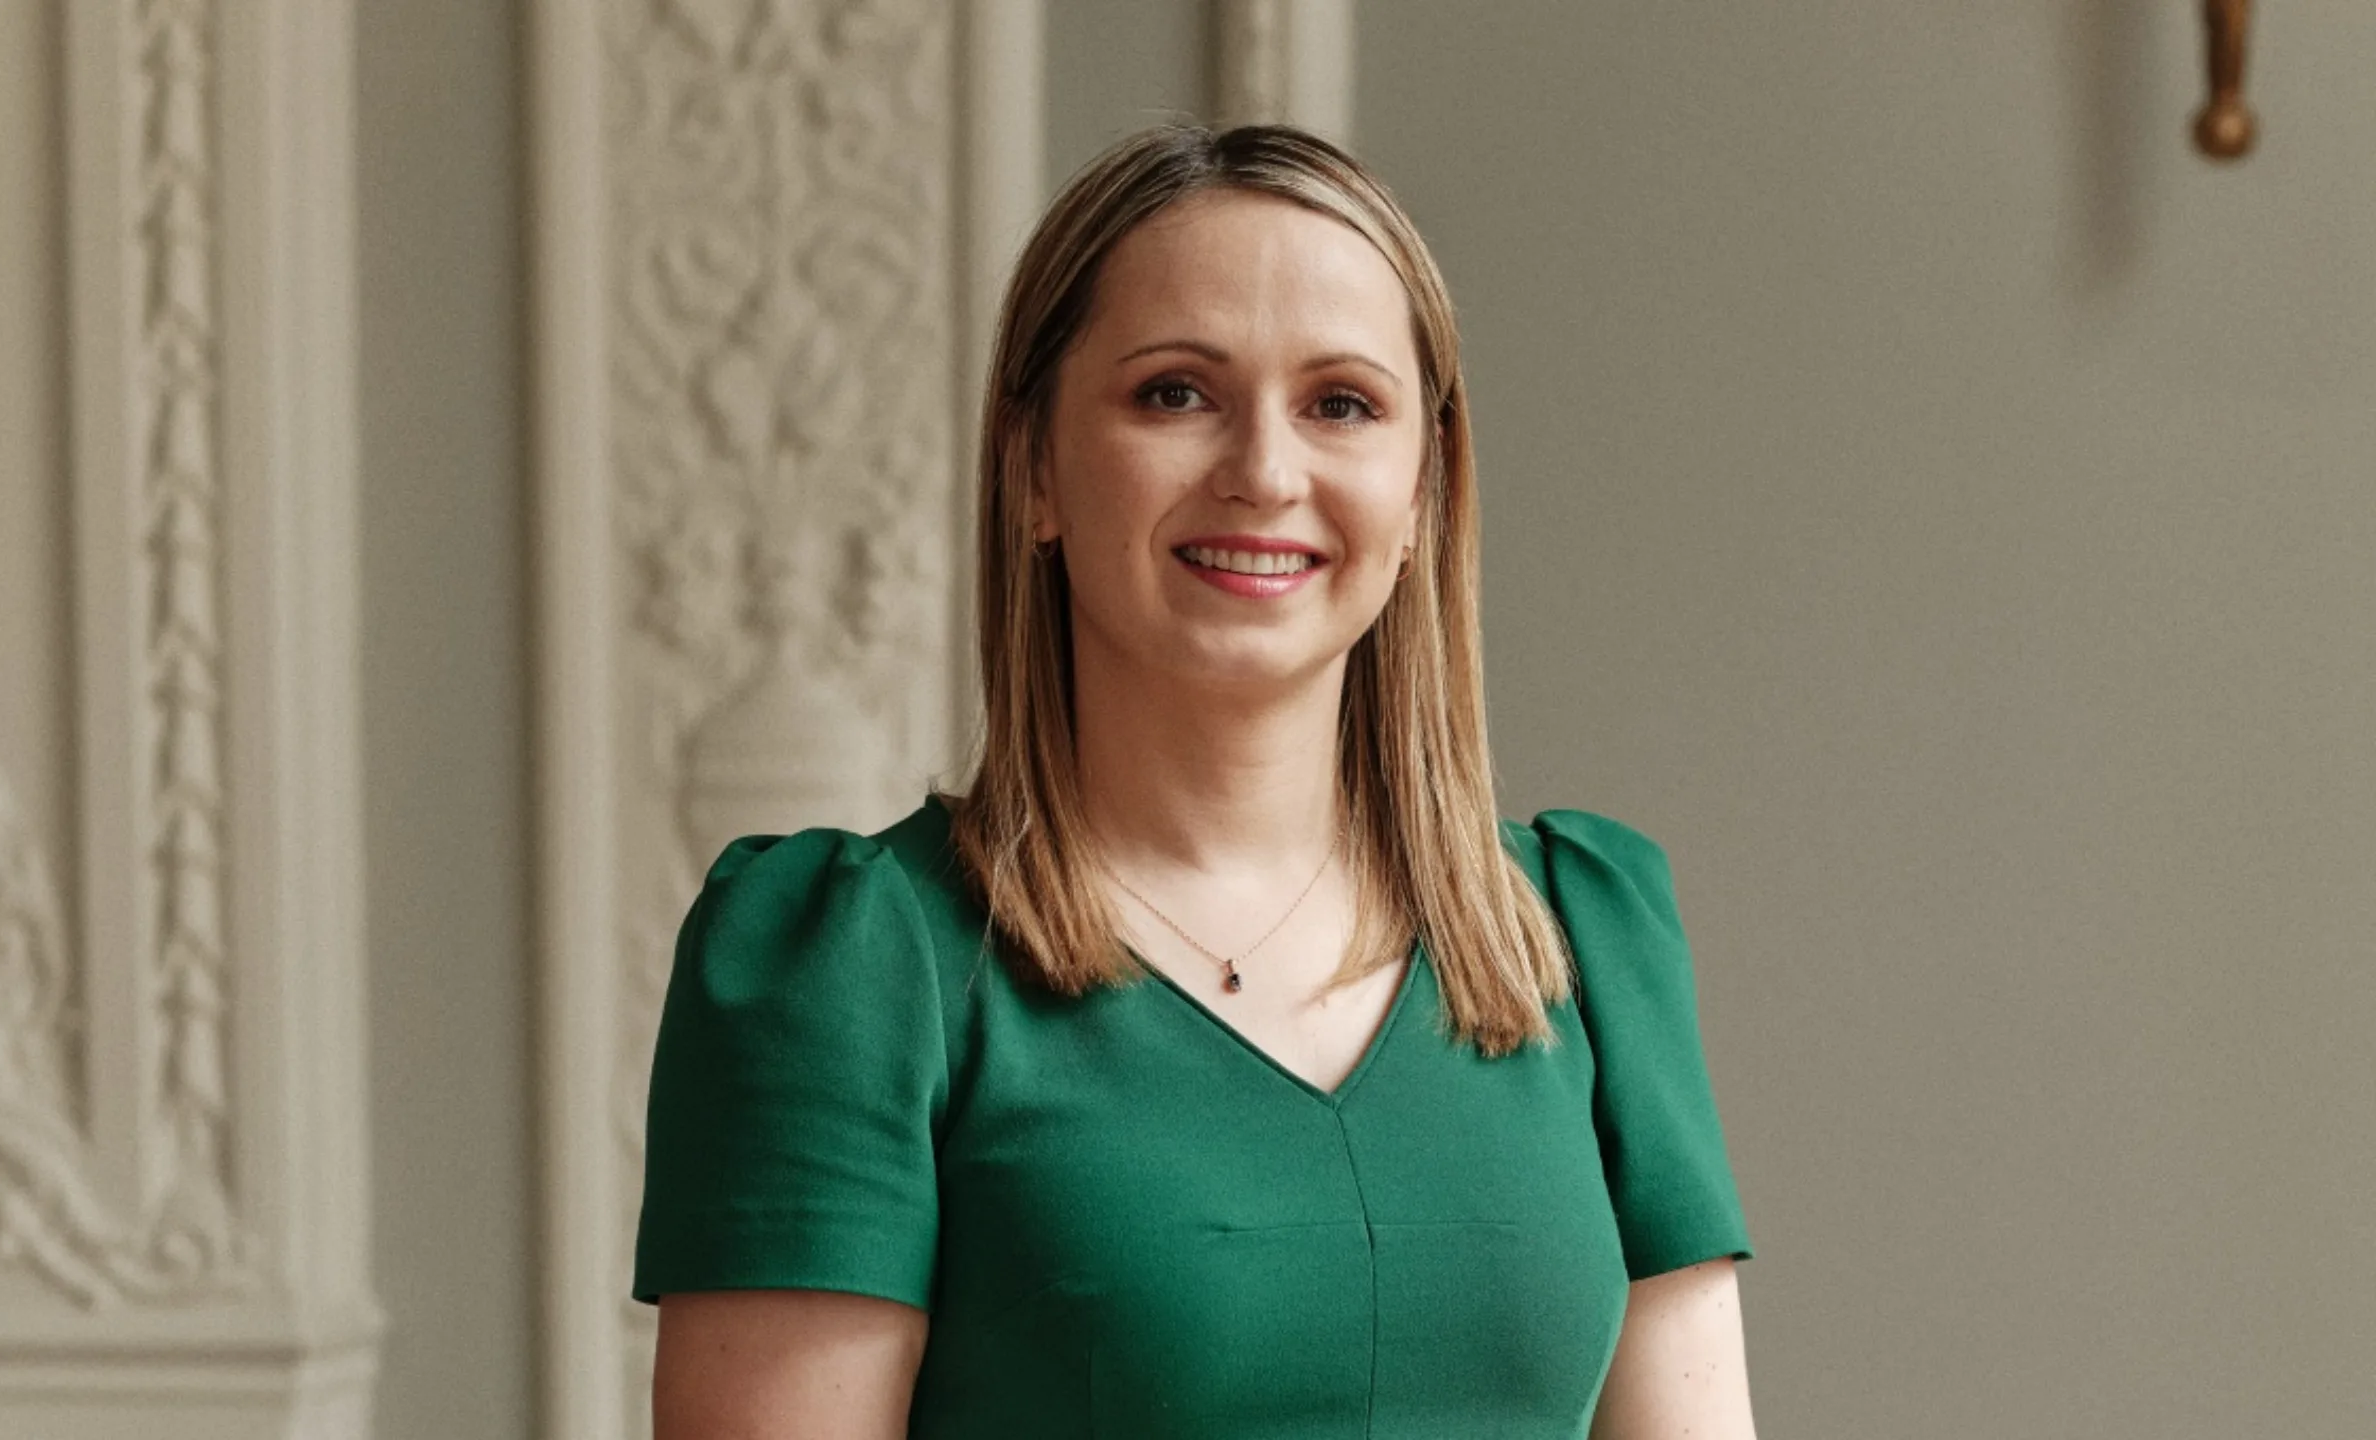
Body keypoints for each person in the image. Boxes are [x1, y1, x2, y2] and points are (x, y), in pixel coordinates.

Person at [633, 121, 1758, 1439]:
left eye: (1342, 403)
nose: (1265, 474)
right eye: (1175, 393)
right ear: (1035, 466)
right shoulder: (850, 965)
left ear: (1424, 490)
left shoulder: (1586, 936)